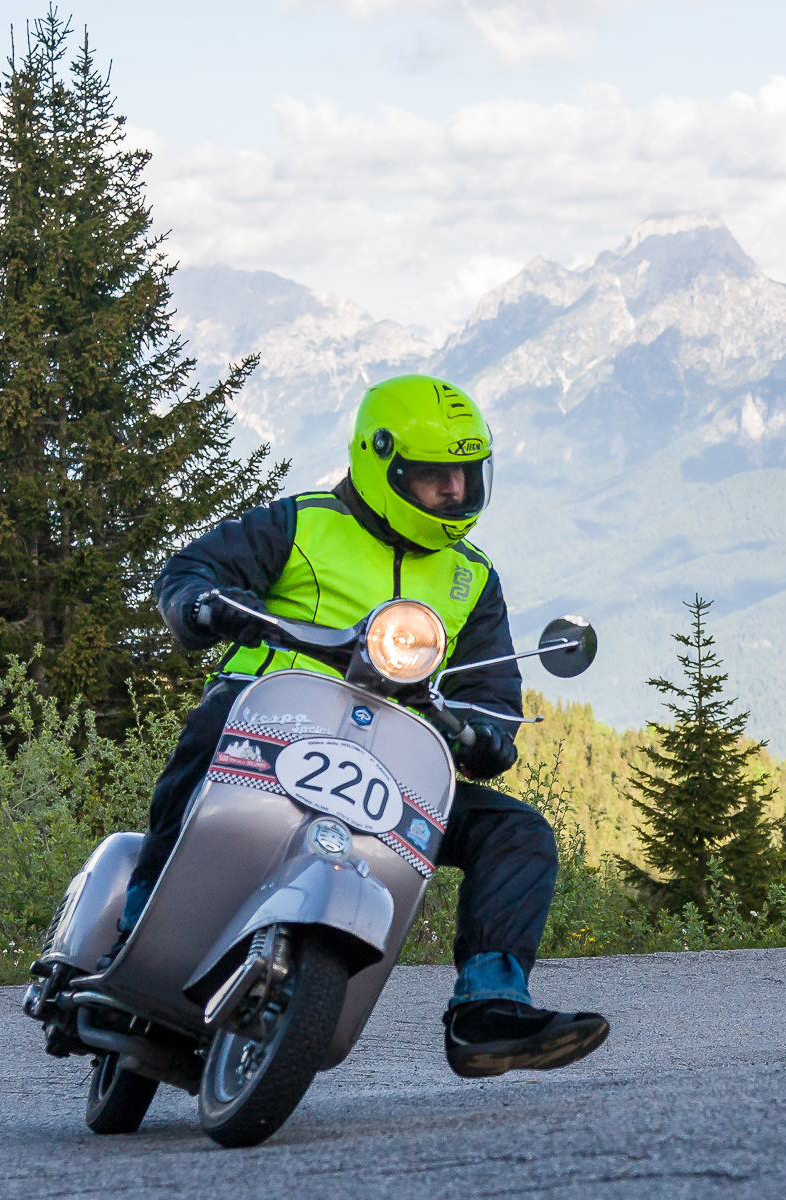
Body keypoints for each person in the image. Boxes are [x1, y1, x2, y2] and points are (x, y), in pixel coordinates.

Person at [120, 374, 609, 1079]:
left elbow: (492, 694)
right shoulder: (302, 524)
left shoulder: (471, 577)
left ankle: (489, 1007)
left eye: (466, 477)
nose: (454, 494)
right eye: (435, 478)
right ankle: (138, 920)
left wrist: (482, 734)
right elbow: (192, 570)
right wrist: (203, 603)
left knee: (517, 830)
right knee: (214, 717)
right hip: (268, 734)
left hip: (389, 769)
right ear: (383, 464)